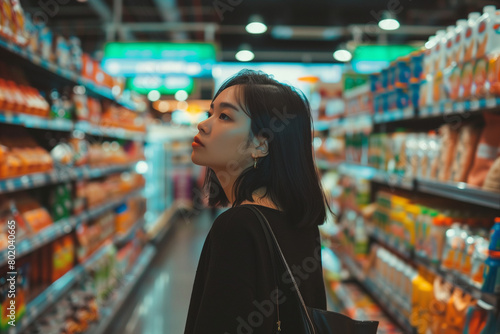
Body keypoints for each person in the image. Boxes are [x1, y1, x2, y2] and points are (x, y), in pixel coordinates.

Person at [185, 70, 333, 334]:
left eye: (224, 116)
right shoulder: (300, 221)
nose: (203, 124)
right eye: (210, 113)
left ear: (260, 145)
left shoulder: (237, 226)